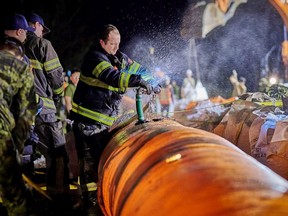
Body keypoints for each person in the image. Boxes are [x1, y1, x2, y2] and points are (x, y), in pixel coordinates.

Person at [69, 24, 161, 215]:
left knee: (103, 165)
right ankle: (90, 207)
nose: (116, 48)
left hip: (104, 123)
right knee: (90, 169)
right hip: (88, 123)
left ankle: (102, 202)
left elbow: (139, 69)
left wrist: (152, 80)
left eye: (118, 43)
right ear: (102, 42)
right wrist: (138, 81)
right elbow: (113, 77)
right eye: (112, 44)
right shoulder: (95, 58)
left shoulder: (117, 56)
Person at [24, 12, 71, 210]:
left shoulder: (13, 47)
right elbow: (56, 75)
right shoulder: (43, 45)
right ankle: (57, 197)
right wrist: (59, 95)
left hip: (20, 112)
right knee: (58, 152)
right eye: (42, 28)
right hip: (44, 111)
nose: (43, 32)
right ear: (35, 25)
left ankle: (27, 196)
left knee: (25, 154)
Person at [0, 37, 37, 215]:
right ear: (20, 57)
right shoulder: (21, 69)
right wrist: (16, 148)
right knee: (15, 199)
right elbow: (26, 115)